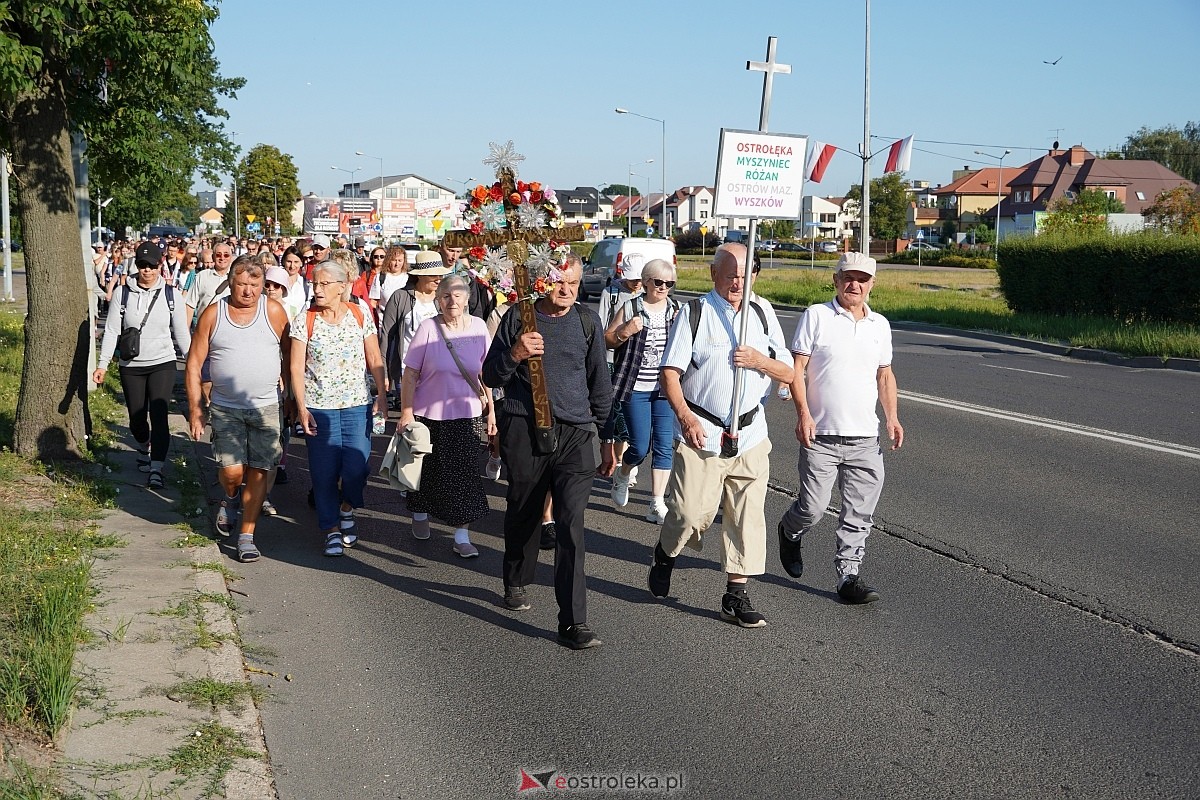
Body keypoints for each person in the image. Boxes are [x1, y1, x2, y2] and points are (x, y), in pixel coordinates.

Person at [646, 243, 793, 628]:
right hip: (703, 432)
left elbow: (789, 372)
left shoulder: (762, 312)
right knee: (688, 514)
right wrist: (685, 418)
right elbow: (670, 374)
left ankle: (736, 594)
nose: (738, 282)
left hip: (750, 434)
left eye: (746, 275)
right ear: (714, 274)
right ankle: (666, 553)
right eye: (731, 275)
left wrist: (760, 361)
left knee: (747, 517)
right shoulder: (695, 313)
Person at [482, 254, 613, 650]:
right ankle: (517, 578)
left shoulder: (587, 321)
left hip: (576, 433)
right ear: (543, 283)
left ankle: (573, 622)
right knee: (524, 509)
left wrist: (608, 438)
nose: (567, 291)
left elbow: (599, 382)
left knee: (571, 523)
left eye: (574, 284)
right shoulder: (518, 318)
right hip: (526, 427)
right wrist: (516, 354)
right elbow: (490, 375)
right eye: (560, 283)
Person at [777, 252, 904, 604]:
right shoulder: (817, 316)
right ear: (835, 280)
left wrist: (892, 417)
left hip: (865, 438)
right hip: (821, 437)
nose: (855, 285)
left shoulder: (879, 325)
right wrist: (803, 414)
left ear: (872, 285)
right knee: (813, 508)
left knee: (859, 514)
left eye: (862, 279)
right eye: (848, 277)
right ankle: (790, 530)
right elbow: (796, 370)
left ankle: (849, 577)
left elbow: (884, 374)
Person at [186, 256, 291, 561]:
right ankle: (230, 497)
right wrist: (195, 408)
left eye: (254, 284)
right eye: (242, 283)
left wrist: (292, 395)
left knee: (260, 471)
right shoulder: (213, 315)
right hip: (226, 407)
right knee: (232, 472)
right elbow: (194, 364)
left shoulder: (273, 312)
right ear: (230, 282)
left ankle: (247, 536)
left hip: (266, 406)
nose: (248, 291)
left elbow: (291, 354)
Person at [290, 258, 388, 557]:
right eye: (314, 283)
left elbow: (374, 357)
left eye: (323, 283)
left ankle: (347, 507)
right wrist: (302, 408)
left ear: (341, 287)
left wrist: (381, 395)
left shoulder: (359, 314)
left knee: (357, 468)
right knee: (323, 473)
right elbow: (295, 368)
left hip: (357, 405)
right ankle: (331, 527)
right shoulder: (304, 319)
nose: (316, 289)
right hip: (320, 408)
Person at [398, 273, 495, 557]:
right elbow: (410, 373)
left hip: (466, 414)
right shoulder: (428, 328)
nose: (452, 300)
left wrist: (492, 412)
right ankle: (419, 512)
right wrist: (406, 412)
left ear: (466, 299)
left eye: (457, 295)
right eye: (446, 296)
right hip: (427, 413)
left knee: (464, 473)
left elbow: (485, 373)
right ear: (438, 300)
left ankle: (461, 535)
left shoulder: (478, 327)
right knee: (427, 469)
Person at [93, 241, 192, 488]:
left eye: (151, 265)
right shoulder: (123, 293)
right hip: (131, 364)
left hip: (163, 362)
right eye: (141, 265)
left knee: (159, 415)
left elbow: (181, 333)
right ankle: (143, 445)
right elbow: (113, 330)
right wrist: (102, 364)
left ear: (160, 265)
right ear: (135, 266)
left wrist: (193, 363)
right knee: (137, 417)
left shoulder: (172, 296)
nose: (146, 270)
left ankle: (157, 467)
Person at [605, 258, 680, 524]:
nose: (663, 288)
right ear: (646, 282)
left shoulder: (677, 310)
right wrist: (625, 331)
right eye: (658, 282)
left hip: (664, 389)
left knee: (663, 446)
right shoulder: (631, 307)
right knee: (639, 445)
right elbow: (609, 339)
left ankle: (656, 502)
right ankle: (623, 473)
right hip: (635, 387)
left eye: (668, 283)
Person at [596, 252, 644, 480]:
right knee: (613, 413)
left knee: (627, 416)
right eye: (633, 278)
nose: (637, 283)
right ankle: (616, 460)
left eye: (640, 278)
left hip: (633, 361)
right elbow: (601, 325)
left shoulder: (647, 294)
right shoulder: (611, 293)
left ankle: (626, 465)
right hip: (609, 360)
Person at [439, 240, 495, 322]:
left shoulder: (467, 275)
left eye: (458, 252)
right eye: (450, 251)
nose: (454, 256)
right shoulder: (432, 274)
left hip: (461, 323)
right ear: (441, 248)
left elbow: (475, 306)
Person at [186, 241, 235, 329]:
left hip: (229, 330)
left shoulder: (237, 277)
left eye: (226, 255)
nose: (222, 258)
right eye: (218, 255)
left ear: (231, 257)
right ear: (213, 257)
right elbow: (190, 305)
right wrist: (186, 334)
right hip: (204, 328)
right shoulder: (202, 276)